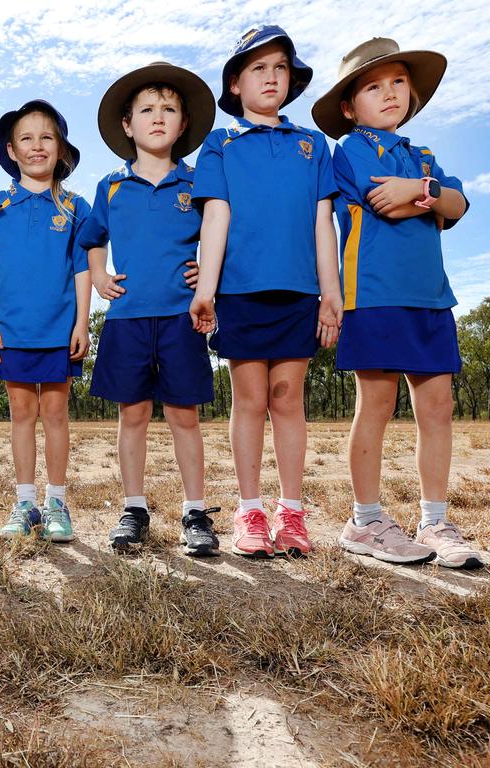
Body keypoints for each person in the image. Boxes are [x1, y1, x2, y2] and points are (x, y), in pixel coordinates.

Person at [312, 37, 483, 568]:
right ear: (349, 106)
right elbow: (385, 202)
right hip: (376, 296)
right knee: (378, 406)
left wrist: (423, 190)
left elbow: (460, 203)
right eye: (372, 85)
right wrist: (432, 199)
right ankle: (365, 520)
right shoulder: (353, 150)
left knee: (438, 408)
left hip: (431, 298)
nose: (389, 93)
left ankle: (435, 521)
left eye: (398, 82)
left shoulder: (422, 155)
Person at [189, 26, 342, 559]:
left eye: (280, 67)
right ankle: (249, 509)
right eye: (258, 68)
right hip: (240, 292)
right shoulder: (220, 144)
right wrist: (206, 288)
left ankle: (293, 513)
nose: (271, 76)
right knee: (250, 399)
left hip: (300, 291)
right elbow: (216, 215)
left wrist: (331, 292)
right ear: (235, 85)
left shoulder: (312, 144)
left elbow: (325, 221)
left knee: (287, 399)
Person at [80, 62, 220, 556]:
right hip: (127, 317)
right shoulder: (111, 187)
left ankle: (195, 511)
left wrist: (209, 273)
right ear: (127, 124)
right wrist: (98, 275)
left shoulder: (198, 183)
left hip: (182, 317)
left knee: (185, 415)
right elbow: (92, 239)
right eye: (146, 109)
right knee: (133, 414)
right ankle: (134, 507)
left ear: (183, 124)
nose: (157, 117)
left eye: (169, 109)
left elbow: (220, 237)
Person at [0, 100, 91, 542]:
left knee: (56, 413)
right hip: (12, 328)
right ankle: (25, 502)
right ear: (11, 150)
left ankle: (57, 503)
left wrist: (82, 322)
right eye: (26, 138)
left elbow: (83, 268)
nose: (37, 145)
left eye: (47, 137)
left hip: (59, 329)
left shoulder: (74, 206)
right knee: (21, 413)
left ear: (61, 148)